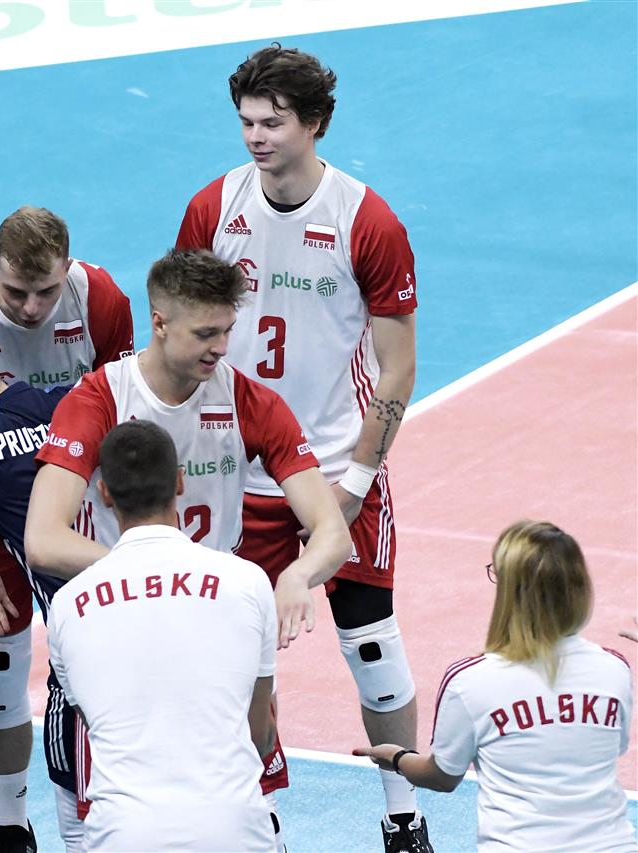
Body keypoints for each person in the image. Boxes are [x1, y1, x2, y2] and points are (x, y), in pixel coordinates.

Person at [174, 44, 428, 851]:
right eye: (246, 121)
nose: (255, 136)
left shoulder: (366, 221)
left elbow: (398, 365)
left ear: (314, 123)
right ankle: (264, 813)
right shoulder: (213, 208)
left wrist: (356, 479)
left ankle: (404, 814)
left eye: (272, 123)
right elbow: (179, 332)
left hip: (334, 464)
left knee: (373, 644)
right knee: (239, 659)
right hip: (232, 473)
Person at [25, 248, 350, 851]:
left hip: (214, 617)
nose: (221, 347)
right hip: (122, 616)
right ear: (160, 323)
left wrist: (297, 576)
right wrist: (157, 569)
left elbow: (332, 531)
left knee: (245, 779)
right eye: (206, 333)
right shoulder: (98, 400)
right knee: (106, 789)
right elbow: (43, 538)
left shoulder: (249, 402)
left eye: (227, 331)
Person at [0, 207, 133, 851]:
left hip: (78, 497)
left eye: (46, 291)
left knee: (100, 657)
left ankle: (111, 807)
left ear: (69, 270)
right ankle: (11, 830)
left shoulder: (101, 300)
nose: (33, 308)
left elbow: (121, 417)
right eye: (16, 293)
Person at [48, 420, 278, 851]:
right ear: (179, 482)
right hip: (234, 830)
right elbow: (260, 733)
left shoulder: (66, 605)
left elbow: (97, 725)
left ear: (104, 493)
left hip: (122, 836)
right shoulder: (248, 582)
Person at [355, 521, 636, 853]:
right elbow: (612, 748)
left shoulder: (469, 681)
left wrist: (398, 757)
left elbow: (443, 777)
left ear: (510, 594)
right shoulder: (615, 669)